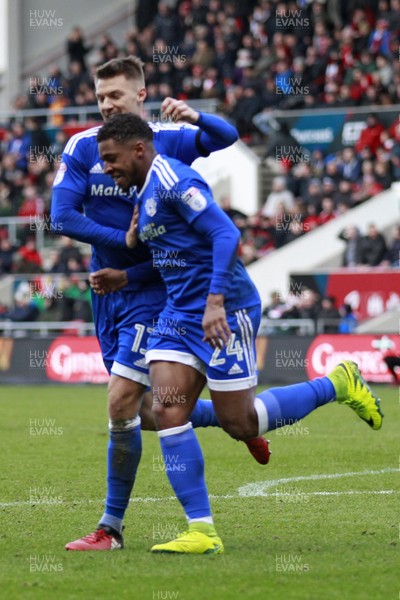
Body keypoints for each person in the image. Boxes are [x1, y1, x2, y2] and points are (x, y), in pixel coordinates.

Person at [97, 112, 383, 554]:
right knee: (168, 410)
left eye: (111, 158)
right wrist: (127, 277)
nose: (107, 168)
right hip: (178, 314)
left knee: (240, 422)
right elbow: (176, 257)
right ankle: (201, 530)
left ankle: (337, 383)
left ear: (138, 149)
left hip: (225, 307)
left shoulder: (175, 179)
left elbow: (225, 234)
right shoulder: (145, 193)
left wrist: (214, 303)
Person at [51, 56, 268, 552]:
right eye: (101, 97)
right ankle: (239, 420)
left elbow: (225, 138)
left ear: (140, 97)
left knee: (121, 402)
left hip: (156, 289)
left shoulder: (165, 143)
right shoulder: (83, 147)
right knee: (152, 411)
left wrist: (192, 115)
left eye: (117, 97)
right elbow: (61, 215)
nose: (107, 105)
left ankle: (112, 529)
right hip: (111, 290)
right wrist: (124, 242)